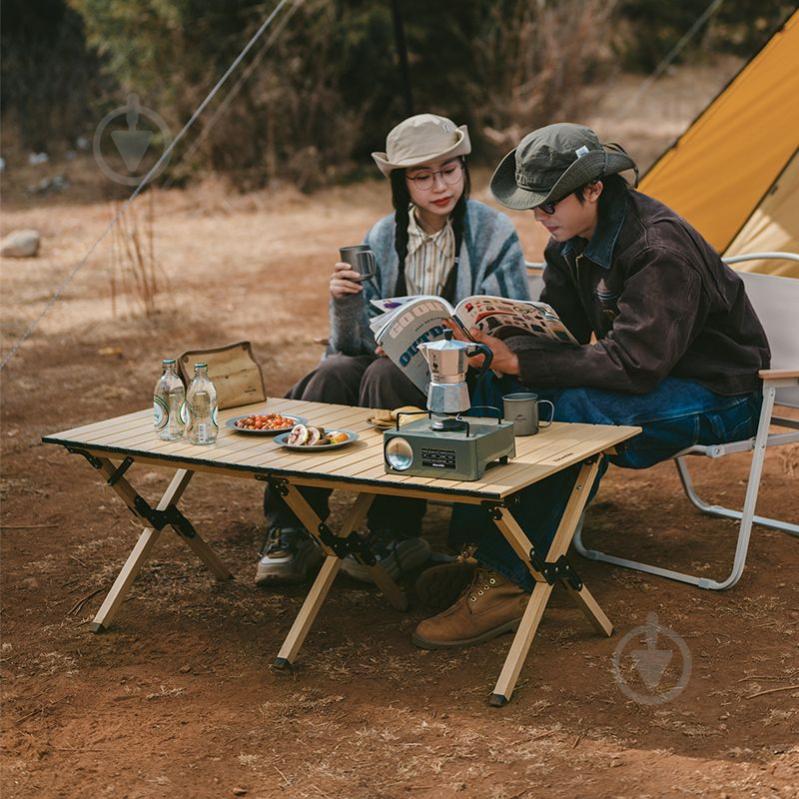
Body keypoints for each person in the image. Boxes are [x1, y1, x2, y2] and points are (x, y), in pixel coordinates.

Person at [411, 122, 770, 649]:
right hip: (656, 377)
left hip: (722, 394)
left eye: (550, 203)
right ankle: (482, 553)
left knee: (571, 412)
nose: (540, 216)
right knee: (498, 394)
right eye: (535, 205)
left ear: (594, 188)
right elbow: (566, 332)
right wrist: (497, 341)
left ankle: (510, 582)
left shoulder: (657, 248)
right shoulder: (572, 240)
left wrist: (523, 364)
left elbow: (635, 365)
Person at [256, 113, 531, 586]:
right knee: (330, 374)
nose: (439, 186)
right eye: (421, 177)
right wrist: (344, 303)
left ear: (464, 166)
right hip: (389, 364)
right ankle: (292, 526)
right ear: (402, 183)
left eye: (448, 170)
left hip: (464, 376)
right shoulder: (383, 236)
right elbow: (351, 345)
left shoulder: (493, 232)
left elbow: (506, 329)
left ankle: (394, 532)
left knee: (382, 378)